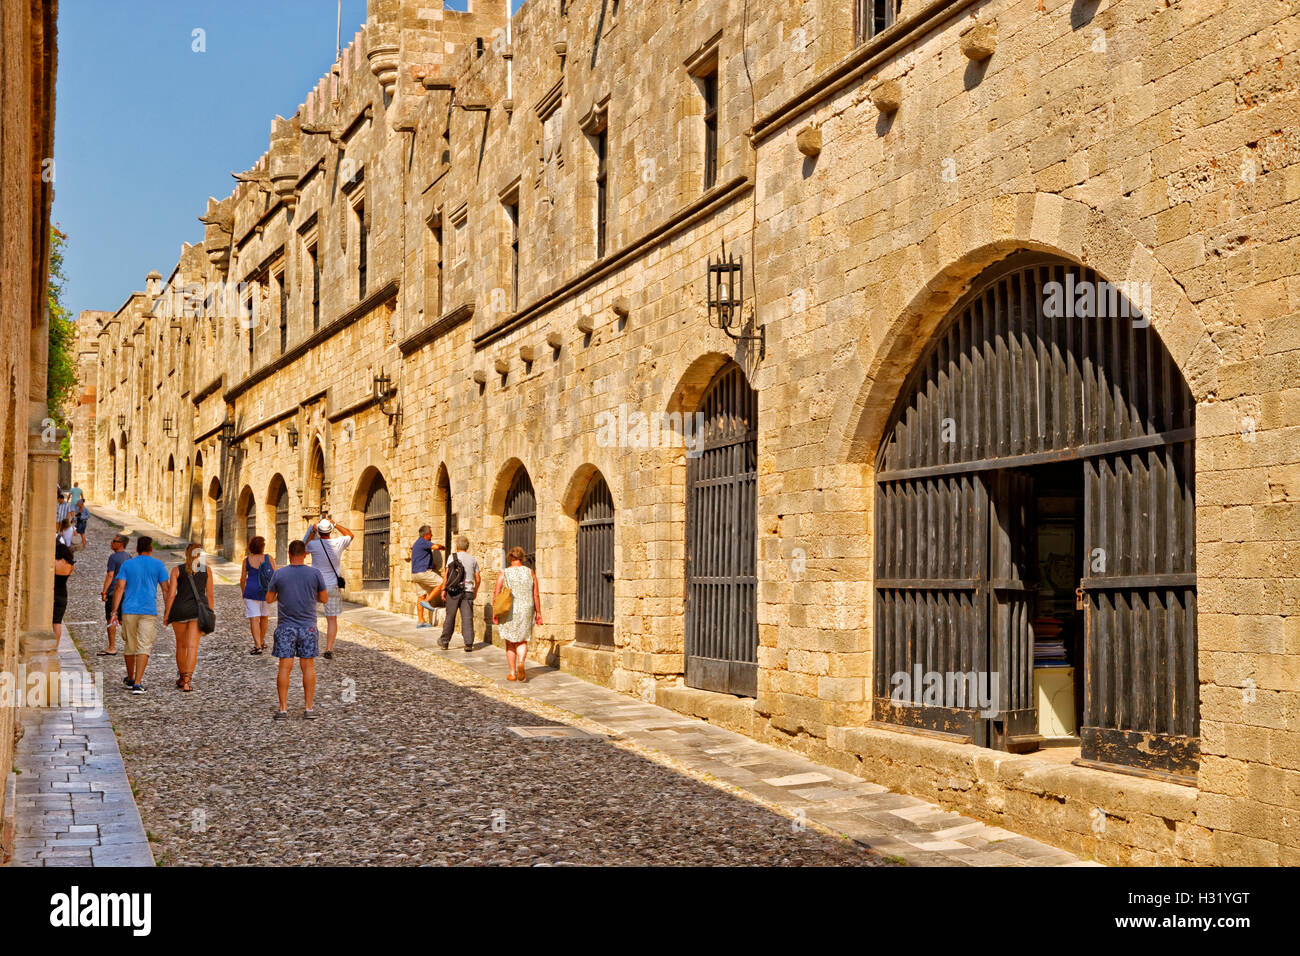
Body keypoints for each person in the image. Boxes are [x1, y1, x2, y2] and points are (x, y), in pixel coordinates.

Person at [266, 539, 328, 719]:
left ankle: (283, 708)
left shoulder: (279, 574)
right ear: (305, 555)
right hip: (308, 626)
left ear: (289, 554)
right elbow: (324, 598)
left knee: (284, 667)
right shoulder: (315, 574)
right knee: (308, 666)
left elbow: (269, 599)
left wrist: (283, 594)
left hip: (286, 627)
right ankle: (308, 708)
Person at [109, 536, 173, 696]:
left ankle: (130, 678)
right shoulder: (158, 565)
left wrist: (114, 611)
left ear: (137, 548)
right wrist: (167, 611)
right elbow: (166, 589)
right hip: (148, 610)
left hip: (129, 609)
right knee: (144, 645)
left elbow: (119, 588)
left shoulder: (128, 564)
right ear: (151, 548)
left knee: (130, 644)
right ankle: (138, 683)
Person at [163, 543, 213, 692]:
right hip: (198, 612)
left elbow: (172, 595)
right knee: (192, 647)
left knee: (181, 646)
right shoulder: (207, 570)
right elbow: (209, 595)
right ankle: (187, 681)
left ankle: (181, 676)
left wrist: (167, 614)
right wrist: (210, 613)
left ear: (186, 553)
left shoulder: (177, 570)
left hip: (179, 610)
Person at [304, 517, 353, 660]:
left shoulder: (313, 545)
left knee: (309, 616)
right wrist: (335, 524)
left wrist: (311, 530)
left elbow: (301, 547)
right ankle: (329, 648)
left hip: (315, 586)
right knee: (331, 619)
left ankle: (309, 644)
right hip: (332, 586)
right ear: (330, 531)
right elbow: (350, 534)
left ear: (319, 531)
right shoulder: (338, 542)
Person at [492, 546, 543, 682]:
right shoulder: (530, 572)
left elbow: (496, 592)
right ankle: (521, 662)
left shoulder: (504, 572)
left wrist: (495, 611)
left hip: (510, 610)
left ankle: (512, 673)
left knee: (510, 642)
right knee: (522, 639)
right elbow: (536, 594)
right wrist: (538, 613)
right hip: (527, 608)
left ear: (510, 558)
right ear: (522, 557)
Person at [439, 535, 480, 652]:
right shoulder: (473, 560)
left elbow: (447, 575)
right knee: (467, 618)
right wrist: (475, 590)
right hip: (468, 591)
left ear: (457, 546)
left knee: (450, 616)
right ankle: (468, 644)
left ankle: (444, 641)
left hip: (453, 591)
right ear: (467, 547)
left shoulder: (452, 557)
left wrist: (443, 589)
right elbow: (478, 578)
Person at [240, 536, 275, 654]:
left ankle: (258, 645)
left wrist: (243, 592)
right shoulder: (268, 558)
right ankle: (262, 641)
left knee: (254, 619)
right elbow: (275, 576)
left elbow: (242, 579)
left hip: (250, 591)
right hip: (266, 591)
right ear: (262, 547)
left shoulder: (246, 560)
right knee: (264, 617)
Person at [99, 533, 130, 656]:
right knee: (123, 620)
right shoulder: (129, 557)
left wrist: (104, 591)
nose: (111, 543)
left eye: (114, 541)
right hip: (126, 592)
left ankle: (112, 647)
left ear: (120, 544)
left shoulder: (113, 557)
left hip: (114, 591)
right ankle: (132, 644)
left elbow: (110, 575)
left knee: (111, 618)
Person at [410, 525, 446, 628]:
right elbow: (436, 547)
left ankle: (421, 621)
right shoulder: (423, 542)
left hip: (415, 574)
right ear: (426, 535)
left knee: (421, 595)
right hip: (422, 573)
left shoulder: (417, 543)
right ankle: (427, 601)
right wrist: (443, 547)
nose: (432, 535)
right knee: (442, 583)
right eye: (430, 533)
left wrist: (431, 565)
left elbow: (422, 557)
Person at [53, 540, 76, 640]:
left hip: (52, 592)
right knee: (57, 622)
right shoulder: (71, 565)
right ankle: (55, 647)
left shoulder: (53, 563)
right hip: (63, 594)